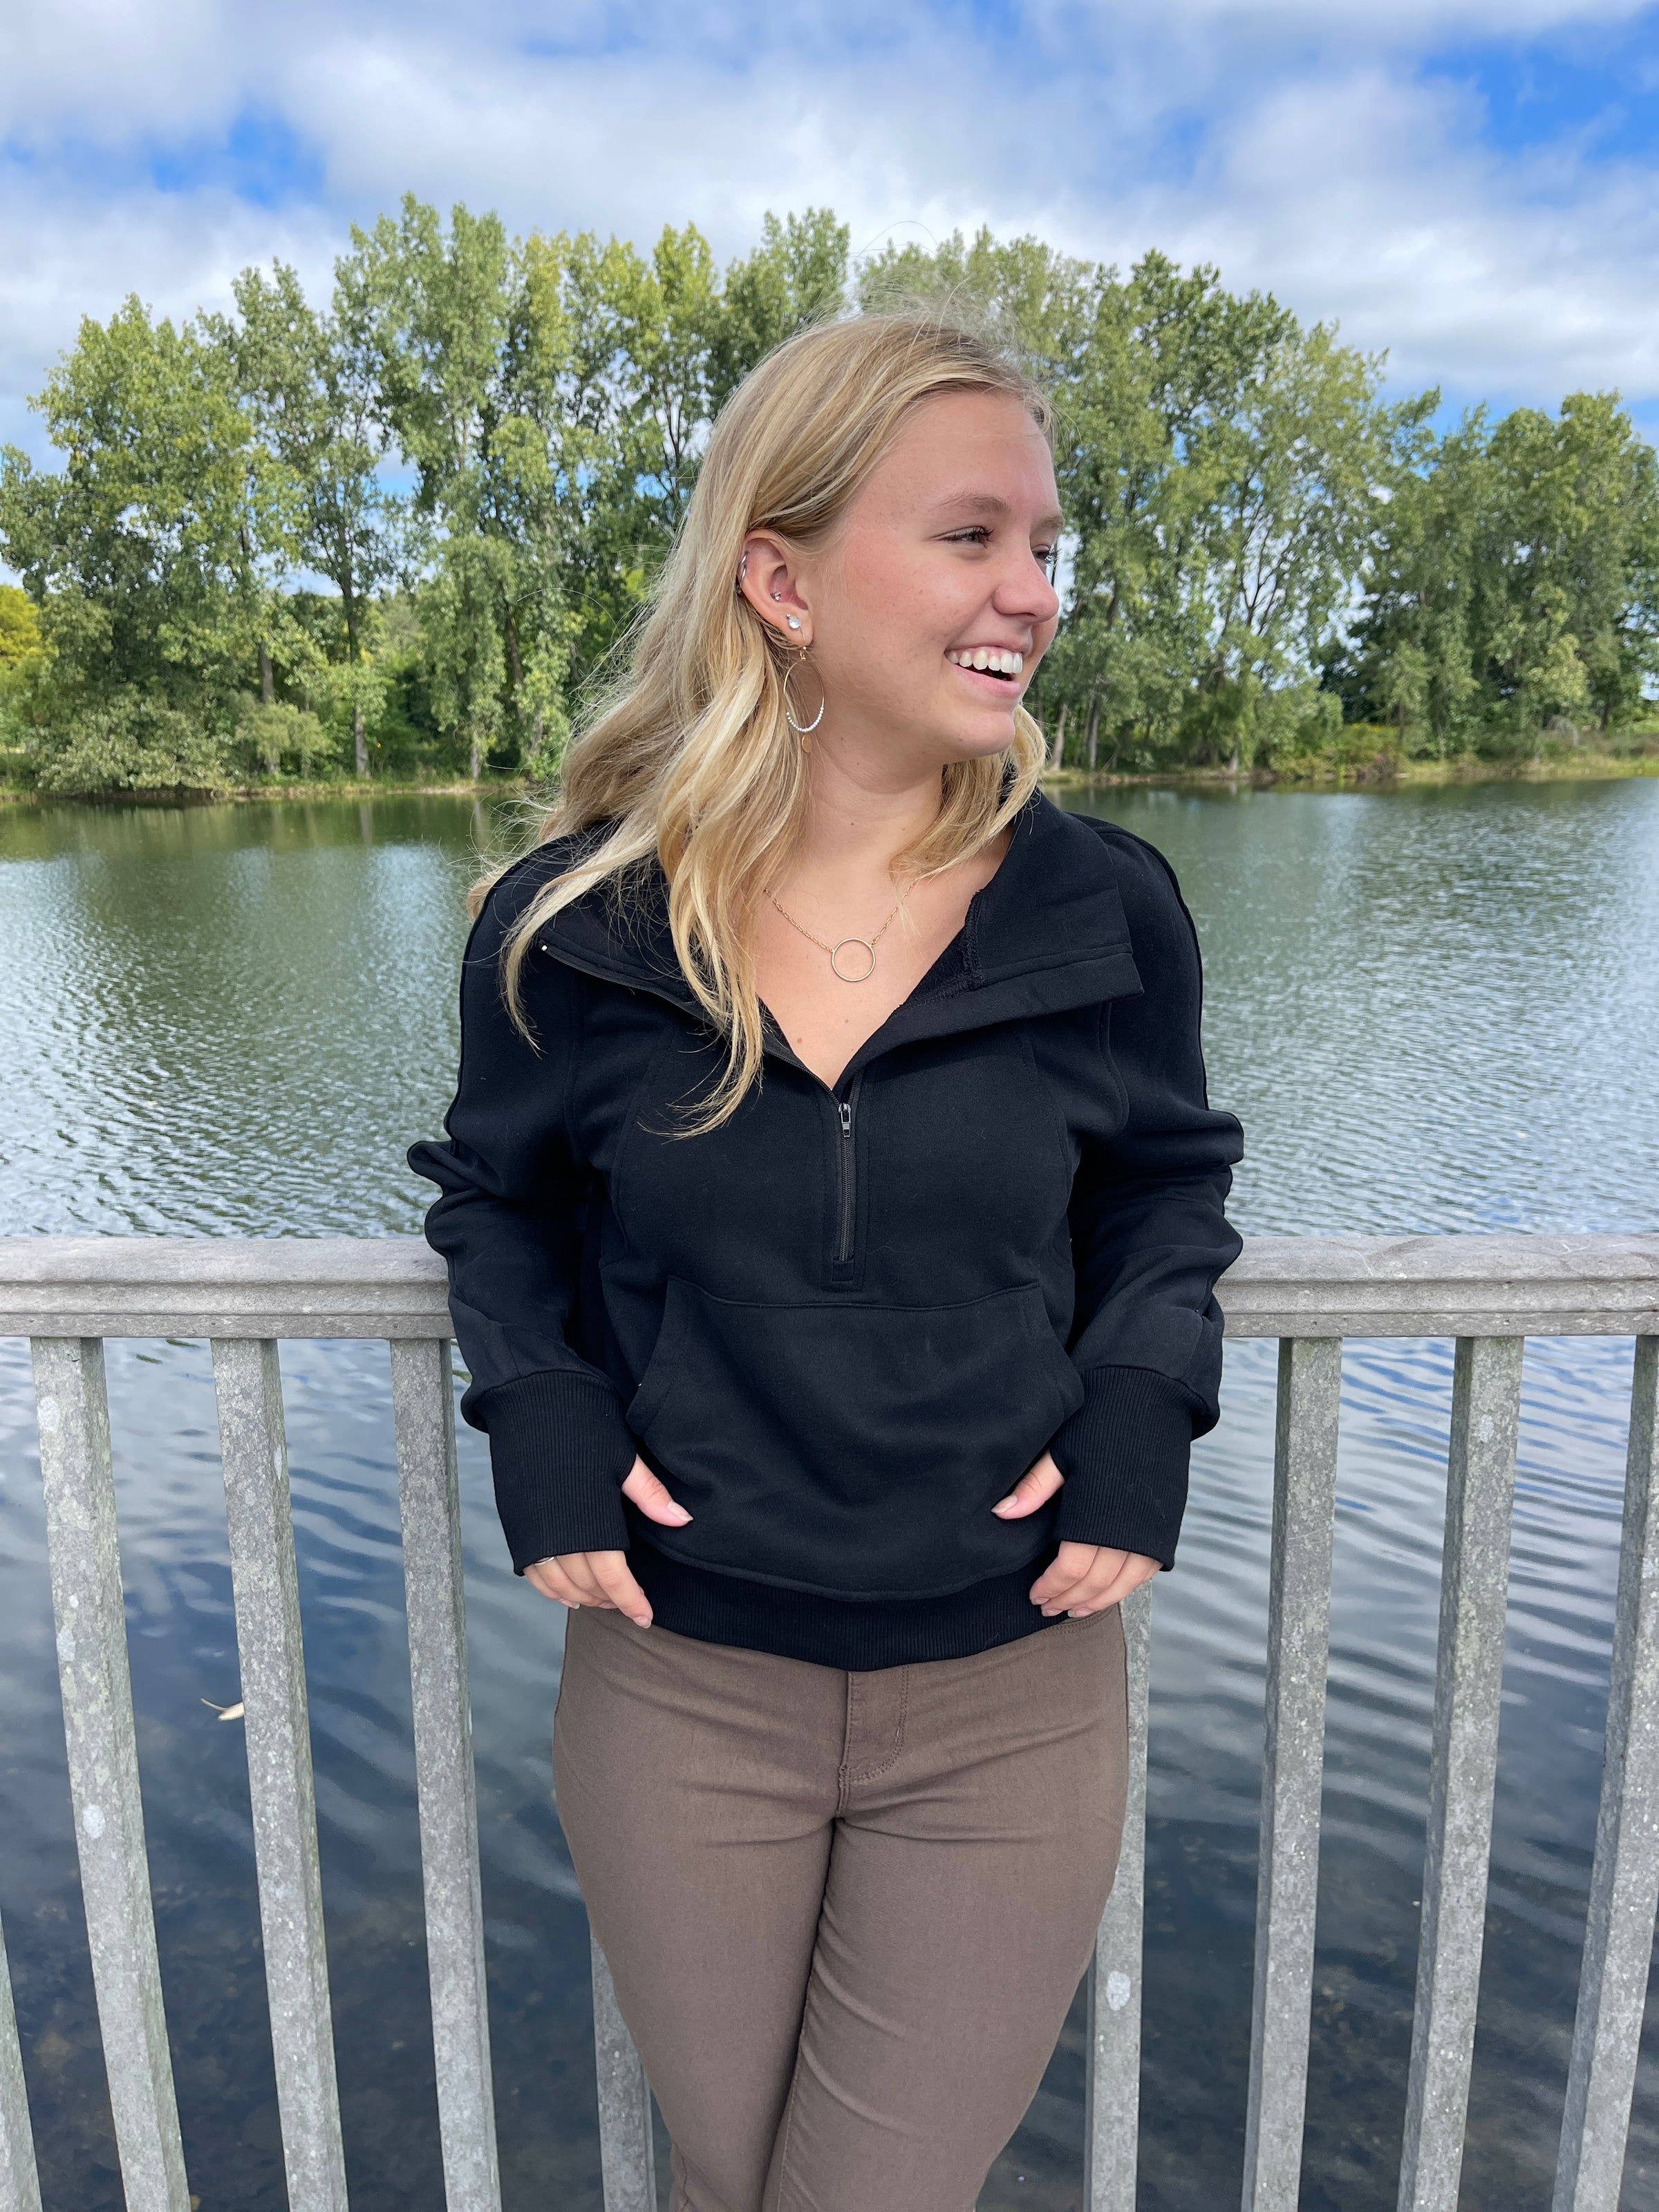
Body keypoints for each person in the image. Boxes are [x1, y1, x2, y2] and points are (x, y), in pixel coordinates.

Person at [409, 309, 1242, 2212]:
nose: (1032, 593)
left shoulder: (1104, 905)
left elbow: (1167, 1191)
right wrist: (542, 1417)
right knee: (731, 2181)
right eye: (971, 536)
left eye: (1044, 546)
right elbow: (498, 1203)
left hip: (1011, 1684)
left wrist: (1142, 1408)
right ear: (779, 581)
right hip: (678, 1684)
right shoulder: (578, 925)